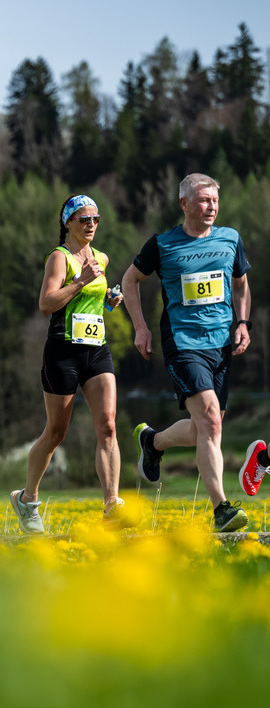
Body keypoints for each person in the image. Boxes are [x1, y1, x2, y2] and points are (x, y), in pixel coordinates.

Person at [121, 173, 252, 533]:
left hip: (221, 345)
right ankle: (221, 509)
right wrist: (141, 327)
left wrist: (243, 323)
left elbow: (241, 285)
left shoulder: (230, 240)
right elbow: (128, 280)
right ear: (184, 204)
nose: (211, 206)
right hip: (182, 344)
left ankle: (153, 441)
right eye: (203, 200)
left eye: (214, 200)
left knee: (204, 429)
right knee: (210, 420)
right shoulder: (163, 244)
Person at [10, 195, 135, 534]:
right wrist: (80, 281)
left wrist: (109, 301)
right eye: (83, 219)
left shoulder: (102, 258)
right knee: (56, 433)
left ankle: (111, 504)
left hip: (96, 349)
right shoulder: (59, 258)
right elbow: (46, 304)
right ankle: (27, 499)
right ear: (67, 223)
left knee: (107, 426)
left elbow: (90, 304)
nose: (90, 224)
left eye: (95, 218)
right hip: (63, 352)